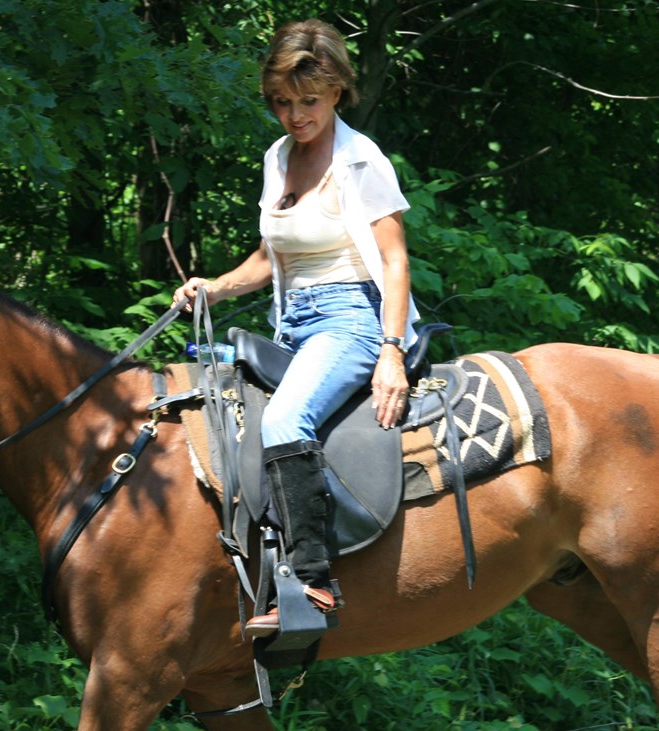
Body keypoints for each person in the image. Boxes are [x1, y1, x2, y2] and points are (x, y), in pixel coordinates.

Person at [173, 18, 419, 638]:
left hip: (353, 319)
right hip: (292, 325)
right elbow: (268, 258)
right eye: (282, 102)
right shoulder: (277, 158)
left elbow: (394, 258)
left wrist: (391, 350)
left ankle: (312, 584)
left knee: (285, 421)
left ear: (336, 90)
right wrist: (213, 286)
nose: (294, 115)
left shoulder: (361, 160)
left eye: (308, 100)